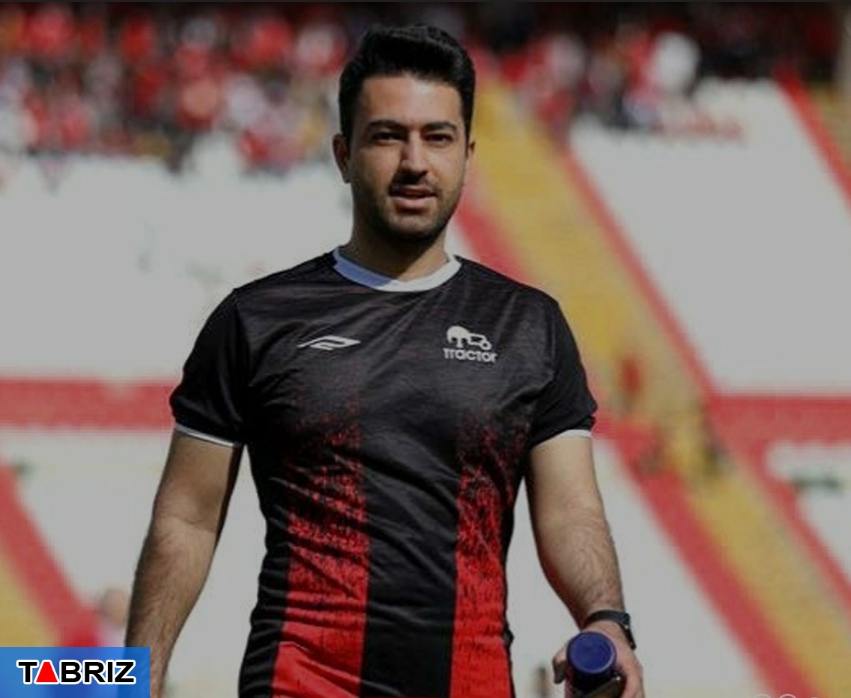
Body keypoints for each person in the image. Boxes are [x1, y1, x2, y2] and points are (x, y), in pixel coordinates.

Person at [124, 23, 644, 698]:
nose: (414, 162)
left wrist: (605, 619)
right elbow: (186, 518)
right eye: (387, 136)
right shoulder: (256, 320)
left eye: (437, 137)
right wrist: (131, 682)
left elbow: (571, 511)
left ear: (467, 153)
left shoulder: (528, 326)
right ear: (343, 154)